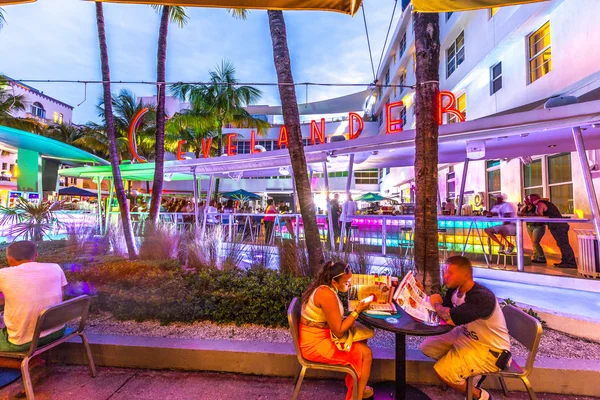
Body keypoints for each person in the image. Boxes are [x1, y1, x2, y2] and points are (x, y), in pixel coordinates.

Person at [420, 256, 511, 400]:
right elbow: (447, 309)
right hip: (466, 335)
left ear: (466, 275)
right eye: (445, 272)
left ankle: (479, 395)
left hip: (491, 349)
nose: (445, 276)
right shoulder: (455, 290)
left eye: (450, 273)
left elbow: (449, 317)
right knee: (427, 347)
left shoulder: (481, 297)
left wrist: (437, 304)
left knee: (442, 371)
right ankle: (463, 370)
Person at [300, 261, 374, 400]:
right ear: (334, 282)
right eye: (347, 283)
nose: (350, 285)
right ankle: (357, 396)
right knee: (367, 354)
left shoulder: (326, 288)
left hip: (319, 334)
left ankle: (358, 387)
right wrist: (357, 311)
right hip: (314, 344)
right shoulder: (327, 295)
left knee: (363, 338)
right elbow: (339, 331)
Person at [0, 241, 68, 352]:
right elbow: (60, 296)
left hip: (23, 342)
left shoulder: (3, 274)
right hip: (58, 331)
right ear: (36, 255)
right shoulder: (56, 268)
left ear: (9, 259)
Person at [528, 194, 576, 268]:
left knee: (563, 244)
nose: (529, 201)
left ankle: (570, 263)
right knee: (561, 244)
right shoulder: (545, 203)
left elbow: (539, 214)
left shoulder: (540, 204)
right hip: (558, 225)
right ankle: (565, 261)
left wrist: (532, 214)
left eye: (530, 199)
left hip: (558, 225)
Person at [519, 196, 547, 264]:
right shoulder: (526, 208)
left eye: (526, 200)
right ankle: (536, 257)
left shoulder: (536, 206)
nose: (525, 201)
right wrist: (519, 207)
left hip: (538, 225)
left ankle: (541, 257)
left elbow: (536, 214)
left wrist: (524, 214)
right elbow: (519, 214)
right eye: (524, 200)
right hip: (529, 225)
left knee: (535, 242)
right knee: (533, 242)